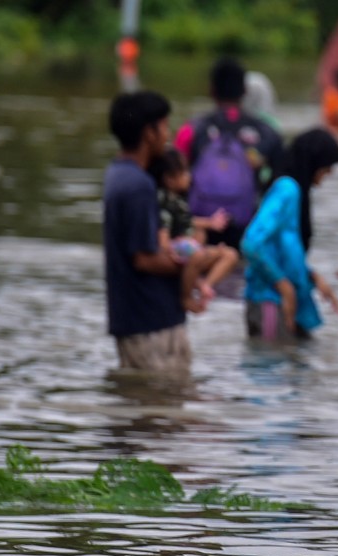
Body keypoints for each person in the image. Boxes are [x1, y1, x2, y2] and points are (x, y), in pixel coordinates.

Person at [102, 90, 198, 373]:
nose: (168, 134)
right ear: (149, 132)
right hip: (151, 321)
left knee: (147, 408)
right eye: (165, 126)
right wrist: (194, 264)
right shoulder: (138, 186)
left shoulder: (118, 174)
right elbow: (144, 258)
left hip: (135, 318)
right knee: (165, 405)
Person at [240, 128, 338, 342]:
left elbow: (283, 248)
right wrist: (283, 285)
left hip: (283, 301)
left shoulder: (293, 191)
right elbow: (251, 243)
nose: (329, 173)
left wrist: (312, 277)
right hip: (270, 301)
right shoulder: (288, 189)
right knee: (270, 368)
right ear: (313, 162)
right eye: (327, 167)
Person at [175, 57, 285, 254]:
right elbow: (279, 186)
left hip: (200, 228)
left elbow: (174, 179)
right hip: (248, 229)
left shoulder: (191, 130)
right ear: (244, 90)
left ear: (211, 89)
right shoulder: (268, 133)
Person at [148, 148, 241, 312]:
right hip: (174, 248)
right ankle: (186, 297)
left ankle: (205, 286)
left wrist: (210, 223)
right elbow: (163, 230)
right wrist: (167, 248)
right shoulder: (163, 200)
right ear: (169, 179)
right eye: (184, 173)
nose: (189, 176)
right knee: (198, 252)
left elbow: (188, 222)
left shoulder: (179, 201)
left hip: (187, 247)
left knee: (230, 255)